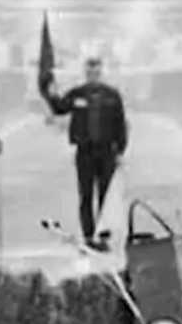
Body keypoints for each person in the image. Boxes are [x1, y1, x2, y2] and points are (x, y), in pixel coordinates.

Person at [39, 55, 128, 251]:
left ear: (100, 72)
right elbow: (60, 108)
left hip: (107, 152)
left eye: (96, 71)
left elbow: (120, 124)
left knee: (106, 196)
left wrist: (120, 151)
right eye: (89, 71)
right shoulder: (77, 94)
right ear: (86, 73)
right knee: (86, 195)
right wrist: (50, 92)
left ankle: (103, 235)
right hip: (85, 151)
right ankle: (89, 236)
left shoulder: (112, 95)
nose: (93, 75)